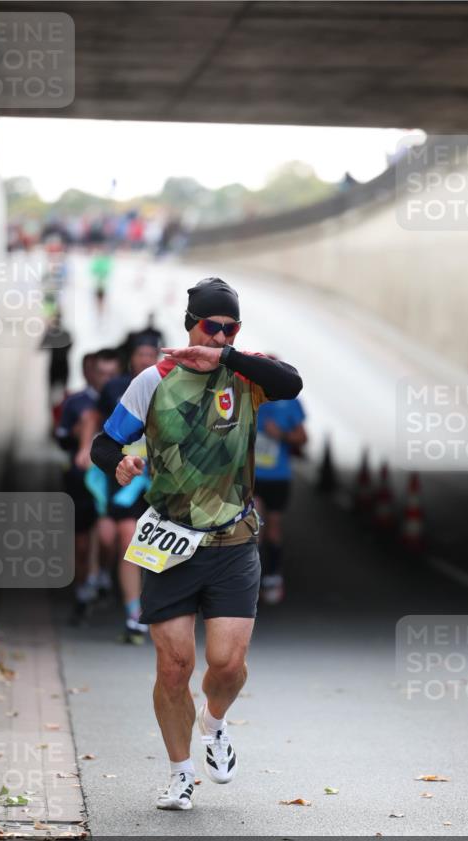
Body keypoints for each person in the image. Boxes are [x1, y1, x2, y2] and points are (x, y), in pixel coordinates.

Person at [91, 277, 302, 811]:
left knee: (227, 665)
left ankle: (215, 722)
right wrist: (120, 463)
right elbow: (103, 442)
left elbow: (291, 383)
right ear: (191, 324)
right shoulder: (153, 380)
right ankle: (180, 773)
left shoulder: (245, 374)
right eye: (213, 326)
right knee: (174, 667)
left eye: (232, 328)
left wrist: (227, 355)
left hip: (233, 542)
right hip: (170, 541)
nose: (222, 336)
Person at [84, 336, 161, 644]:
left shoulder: (170, 386)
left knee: (138, 540)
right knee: (118, 536)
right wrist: (86, 448)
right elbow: (96, 420)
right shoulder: (116, 388)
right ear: (131, 358)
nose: (145, 359)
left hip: (159, 480)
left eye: (151, 354)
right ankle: (127, 604)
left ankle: (143, 610)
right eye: (141, 354)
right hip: (124, 475)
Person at [56, 349, 121, 623]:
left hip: (112, 480)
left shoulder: (125, 401)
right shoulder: (76, 402)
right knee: (81, 544)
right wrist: (79, 436)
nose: (106, 380)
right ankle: (82, 592)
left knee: (108, 537)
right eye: (101, 373)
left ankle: (104, 575)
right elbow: (61, 438)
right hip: (80, 480)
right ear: (90, 372)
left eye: (112, 374)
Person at [254, 391, 307, 604]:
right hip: (253, 477)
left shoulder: (290, 403)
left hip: (278, 477)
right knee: (255, 527)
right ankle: (254, 578)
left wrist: (280, 435)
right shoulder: (249, 396)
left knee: (273, 528)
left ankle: (273, 576)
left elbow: (303, 438)